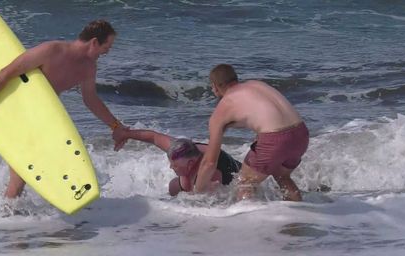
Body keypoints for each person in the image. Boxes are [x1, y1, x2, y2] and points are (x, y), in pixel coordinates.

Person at [0, 20, 128, 198]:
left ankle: (11, 212)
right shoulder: (51, 50)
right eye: (107, 46)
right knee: (20, 174)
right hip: (17, 112)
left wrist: (115, 126)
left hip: (41, 119)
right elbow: (6, 73)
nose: (108, 51)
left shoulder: (88, 67)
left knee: (35, 168)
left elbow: (91, 100)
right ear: (94, 42)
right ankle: (6, 216)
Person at [194, 64, 309, 201]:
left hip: (275, 139)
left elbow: (209, 162)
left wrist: (197, 193)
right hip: (301, 134)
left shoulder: (224, 106)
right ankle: (298, 217)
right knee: (282, 176)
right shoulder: (256, 85)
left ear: (215, 86)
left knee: (245, 184)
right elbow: (267, 115)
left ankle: (247, 220)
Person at [113, 129, 241, 196]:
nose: (170, 167)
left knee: (193, 191)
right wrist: (126, 134)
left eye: (175, 165)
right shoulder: (181, 149)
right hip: (196, 172)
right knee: (174, 186)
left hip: (237, 173)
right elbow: (154, 137)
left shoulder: (211, 172)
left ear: (190, 164)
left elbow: (215, 202)